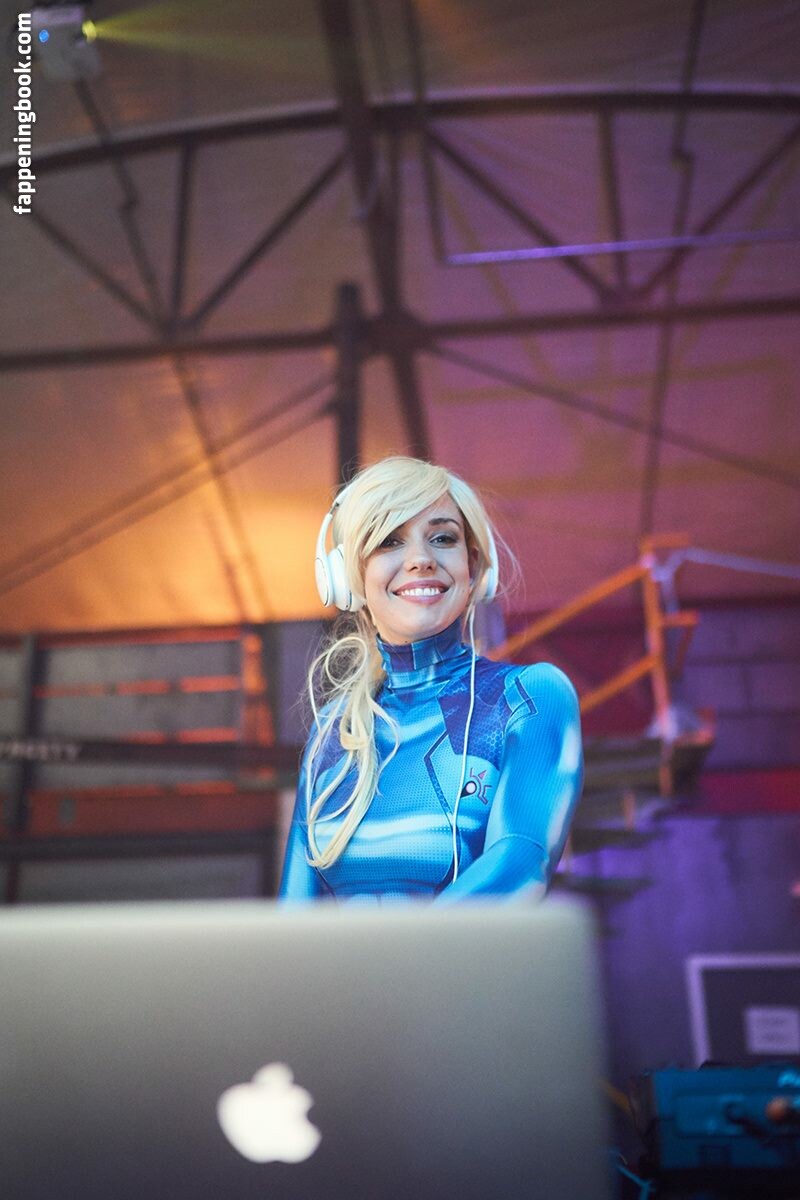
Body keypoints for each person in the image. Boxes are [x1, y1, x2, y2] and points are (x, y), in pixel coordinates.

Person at [278, 456, 582, 904]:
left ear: (472, 566)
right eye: (388, 540)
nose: (420, 559)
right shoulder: (333, 730)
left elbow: (519, 865)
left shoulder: (528, 697)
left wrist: (396, 951)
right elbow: (294, 918)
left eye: (442, 538)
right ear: (347, 575)